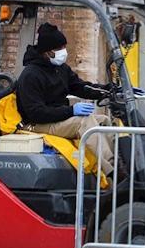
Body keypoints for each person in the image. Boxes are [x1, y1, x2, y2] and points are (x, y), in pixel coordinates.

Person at [16, 23, 115, 175]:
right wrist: (71, 111)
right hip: (36, 123)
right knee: (84, 121)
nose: (64, 52)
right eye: (59, 48)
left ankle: (119, 162)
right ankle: (111, 171)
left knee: (104, 121)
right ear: (47, 52)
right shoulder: (31, 75)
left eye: (64, 47)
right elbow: (36, 113)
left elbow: (81, 87)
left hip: (55, 119)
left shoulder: (60, 69)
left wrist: (111, 91)